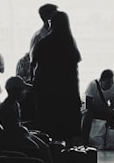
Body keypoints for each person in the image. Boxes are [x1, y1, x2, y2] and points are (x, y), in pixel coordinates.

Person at [31, 11, 82, 142]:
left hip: (47, 94)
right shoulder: (70, 44)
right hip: (66, 94)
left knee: (48, 132)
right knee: (66, 134)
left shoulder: (44, 43)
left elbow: (34, 65)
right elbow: (74, 73)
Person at [82, 69, 114, 136]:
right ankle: (84, 138)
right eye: (108, 83)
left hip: (103, 107)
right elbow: (88, 105)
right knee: (88, 115)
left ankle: (110, 139)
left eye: (112, 82)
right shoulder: (93, 85)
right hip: (93, 107)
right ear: (101, 81)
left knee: (113, 116)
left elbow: (112, 106)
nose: (110, 85)